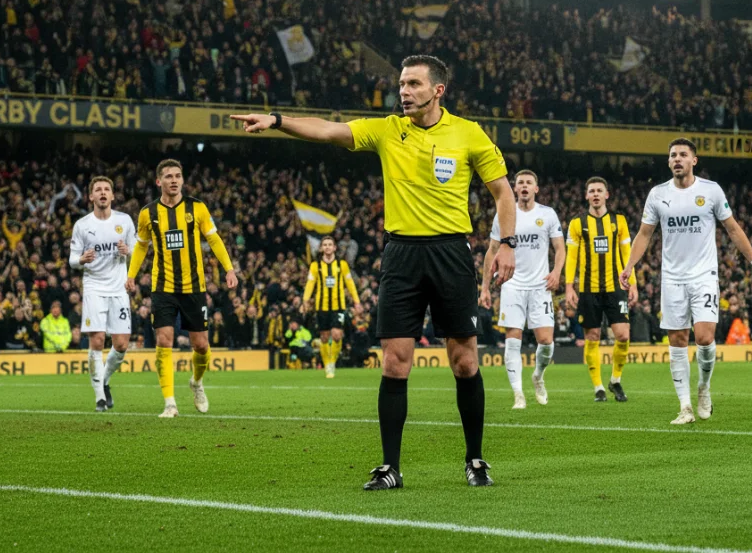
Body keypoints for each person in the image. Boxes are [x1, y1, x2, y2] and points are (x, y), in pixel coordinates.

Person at [231, 54, 516, 490]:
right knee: (395, 362)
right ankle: (390, 468)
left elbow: (503, 193)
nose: (404, 91)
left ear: (438, 90)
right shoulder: (386, 130)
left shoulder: (468, 133)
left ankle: (475, 459)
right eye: (401, 83)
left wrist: (507, 244)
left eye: (414, 84)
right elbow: (328, 130)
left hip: (451, 253)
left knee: (464, 361)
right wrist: (277, 120)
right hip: (401, 255)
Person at [620, 139, 752, 425]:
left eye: (683, 155)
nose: (677, 159)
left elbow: (733, 229)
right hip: (672, 278)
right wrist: (629, 266)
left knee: (704, 337)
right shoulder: (657, 194)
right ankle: (685, 407)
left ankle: (703, 387)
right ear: (669, 162)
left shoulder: (711, 191)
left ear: (694, 160)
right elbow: (644, 234)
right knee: (677, 340)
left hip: (704, 276)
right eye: (673, 155)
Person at [128, 159, 239, 418]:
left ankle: (196, 382)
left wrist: (229, 269)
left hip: (194, 286)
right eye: (169, 176)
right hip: (163, 286)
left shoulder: (196, 207)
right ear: (159, 181)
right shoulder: (148, 213)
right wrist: (131, 274)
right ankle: (170, 403)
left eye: (178, 176)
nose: (174, 180)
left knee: (201, 345)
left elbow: (214, 238)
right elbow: (141, 245)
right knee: (164, 340)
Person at [479, 169, 564, 409]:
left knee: (546, 341)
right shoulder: (505, 215)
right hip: (512, 284)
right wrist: (485, 287)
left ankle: (538, 375)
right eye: (520, 183)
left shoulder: (547, 214)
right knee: (512, 339)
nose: (524, 186)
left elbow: (560, 248)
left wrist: (556, 272)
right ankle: (518, 394)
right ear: (515, 188)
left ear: (536, 188)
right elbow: (492, 251)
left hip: (540, 285)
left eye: (529, 182)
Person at [563, 177, 638, 403]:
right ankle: (598, 387)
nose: (595, 194)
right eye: (592, 191)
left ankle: (615, 380)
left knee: (623, 335)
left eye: (599, 190)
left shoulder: (619, 221)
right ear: (586, 195)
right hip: (588, 289)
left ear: (607, 195)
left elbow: (627, 255)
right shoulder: (577, 223)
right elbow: (571, 257)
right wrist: (569, 286)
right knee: (592, 336)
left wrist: (633, 283)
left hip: (615, 287)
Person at [69, 176, 136, 412]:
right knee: (97, 340)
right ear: (91, 196)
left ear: (113, 195)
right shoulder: (82, 225)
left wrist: (128, 251)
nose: (103, 193)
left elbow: (137, 250)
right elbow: (72, 260)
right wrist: (81, 259)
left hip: (118, 288)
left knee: (121, 345)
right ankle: (99, 398)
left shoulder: (124, 221)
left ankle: (104, 381)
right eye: (98, 190)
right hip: (94, 287)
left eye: (107, 189)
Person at [301, 236, 362, 379]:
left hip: (338, 306)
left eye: (330, 244)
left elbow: (350, 283)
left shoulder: (342, 265)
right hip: (321, 306)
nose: (327, 247)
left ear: (334, 247)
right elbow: (310, 284)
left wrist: (356, 301)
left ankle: (331, 363)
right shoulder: (315, 266)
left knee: (337, 335)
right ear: (321, 248)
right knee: (324, 337)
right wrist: (305, 300)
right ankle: (327, 363)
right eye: (325, 245)